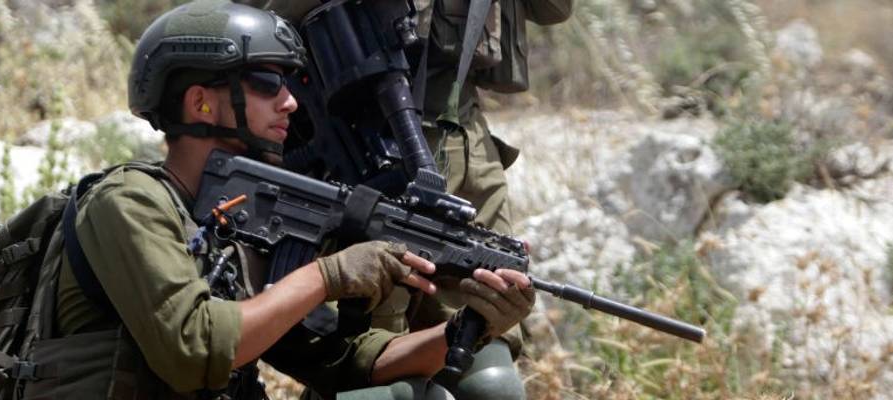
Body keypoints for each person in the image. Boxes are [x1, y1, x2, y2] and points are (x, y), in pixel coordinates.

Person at [32, 1, 536, 398]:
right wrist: (326, 276)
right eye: (269, 82)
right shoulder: (127, 203)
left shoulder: (233, 226)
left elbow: (347, 363)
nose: (291, 101)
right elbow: (195, 349)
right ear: (200, 102)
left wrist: (474, 326)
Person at [233, 0, 573, 398]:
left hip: (465, 133)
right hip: (366, 131)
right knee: (369, 372)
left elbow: (553, 10)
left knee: (487, 381)